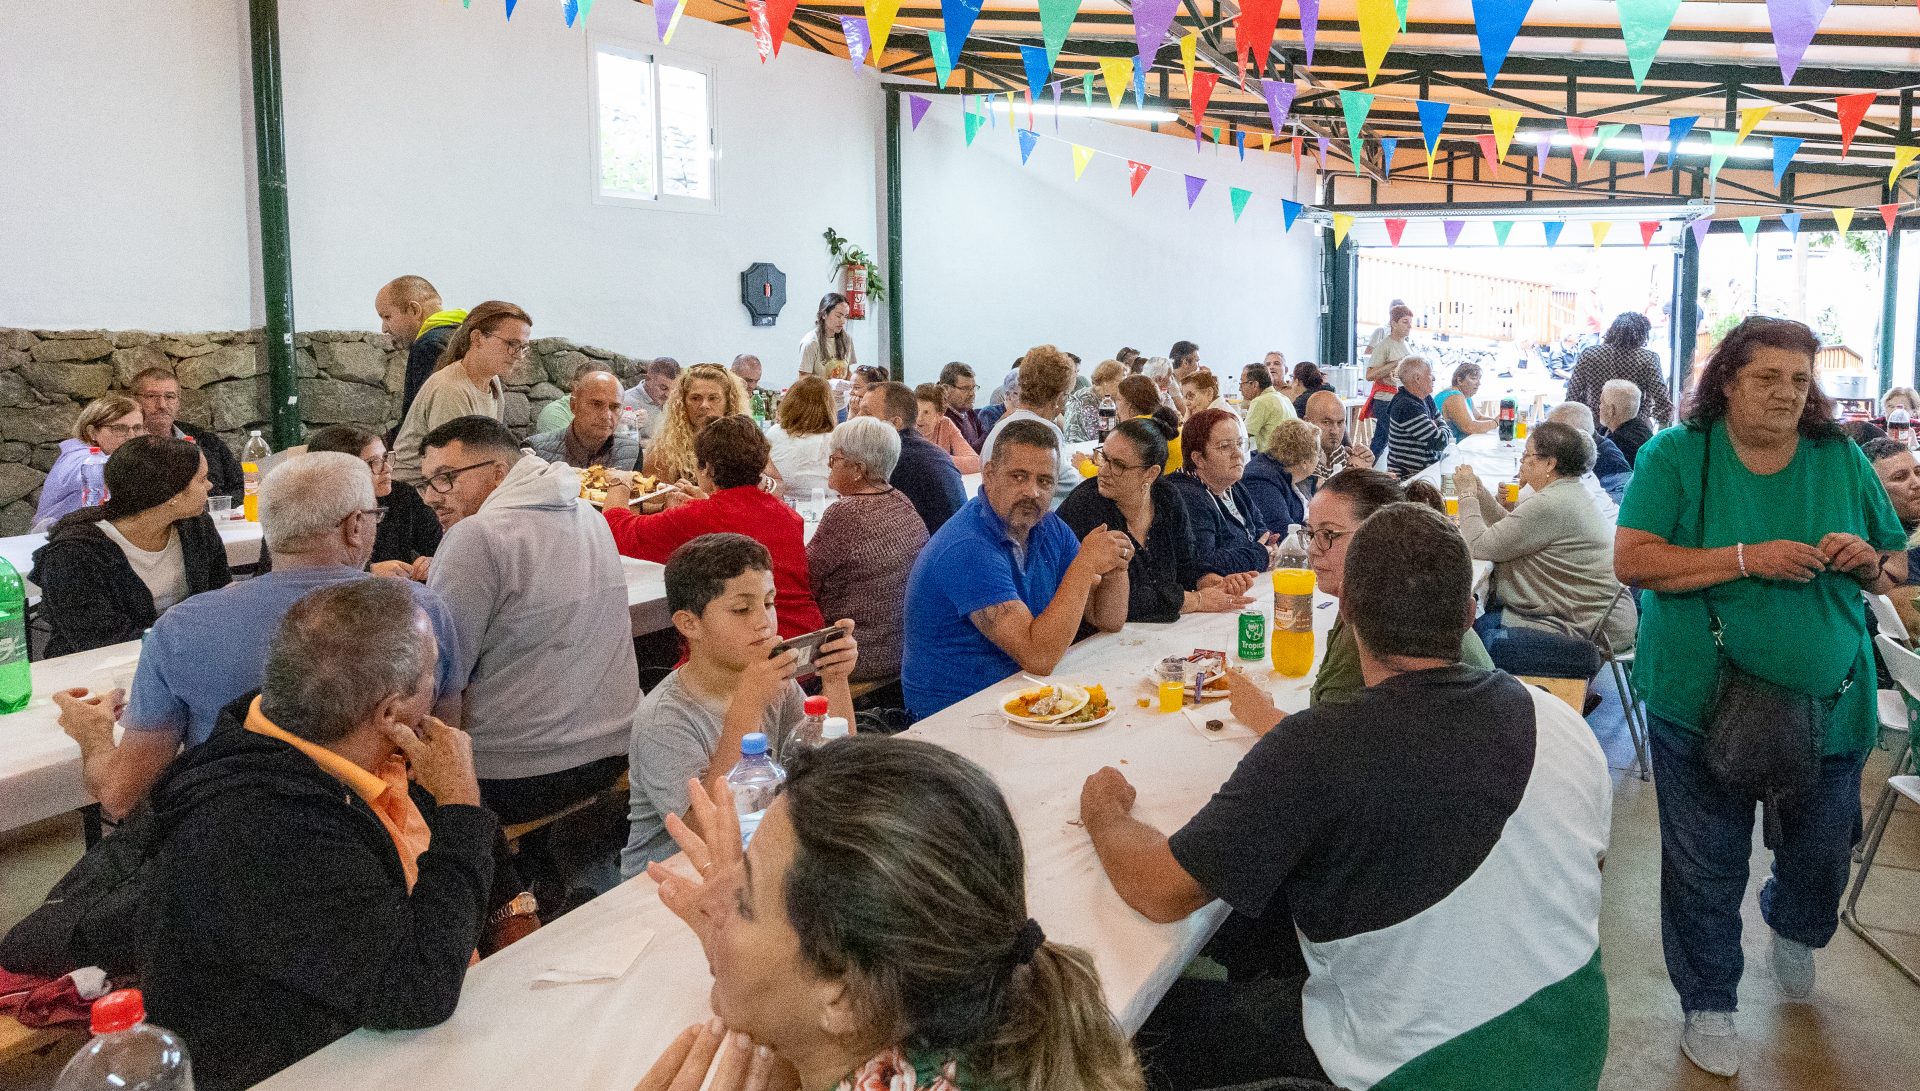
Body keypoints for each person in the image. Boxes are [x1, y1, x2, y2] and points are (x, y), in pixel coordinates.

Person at [1080, 502, 1611, 1091]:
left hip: (1416, 1069)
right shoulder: (1560, 722)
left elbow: (1158, 889)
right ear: (1467, 614)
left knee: (1132, 1033)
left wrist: (1104, 810)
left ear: (1348, 610)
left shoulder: (1319, 745)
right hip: (1574, 1044)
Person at [1614, 316, 1907, 1078]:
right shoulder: (1678, 455)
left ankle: (1792, 919)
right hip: (1698, 700)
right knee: (1705, 862)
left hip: (1834, 702)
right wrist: (1746, 558)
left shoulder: (1839, 457)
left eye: (1799, 379)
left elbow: (1894, 564)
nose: (1785, 393)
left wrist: (1870, 561)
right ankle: (1710, 1001)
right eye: (1767, 377)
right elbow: (1635, 559)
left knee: (1820, 855)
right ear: (1728, 381)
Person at [140, 579, 494, 1091]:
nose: (440, 689)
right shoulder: (268, 827)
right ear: (391, 712)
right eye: (432, 674)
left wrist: (509, 911)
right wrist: (461, 805)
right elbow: (417, 990)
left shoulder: (341, 749)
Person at [638, 737, 1146, 1091]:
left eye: (743, 901)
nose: (707, 900)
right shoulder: (975, 1018)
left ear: (844, 998)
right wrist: (759, 955)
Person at [54, 452, 463, 821]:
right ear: (356, 525)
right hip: (387, 839)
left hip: (233, 847)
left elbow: (121, 796)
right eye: (375, 516)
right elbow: (441, 751)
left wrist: (92, 734)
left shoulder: (182, 627)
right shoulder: (421, 611)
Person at [419, 416, 640, 832]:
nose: (432, 497)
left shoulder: (476, 535)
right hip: (617, 749)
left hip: (518, 774)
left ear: (498, 473)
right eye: (427, 482)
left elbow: (442, 678)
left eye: (446, 479)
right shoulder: (588, 514)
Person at [621, 532, 856, 875]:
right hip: (669, 879)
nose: (764, 621)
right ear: (689, 624)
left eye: (769, 602)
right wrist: (747, 705)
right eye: (742, 609)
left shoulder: (773, 683)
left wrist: (835, 680)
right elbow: (707, 829)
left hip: (755, 856)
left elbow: (838, 768)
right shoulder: (665, 718)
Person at [901, 420, 1130, 718]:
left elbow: (1107, 618)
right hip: (954, 717)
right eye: (1018, 477)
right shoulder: (967, 547)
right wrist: (1085, 564)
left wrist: (1117, 563)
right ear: (990, 474)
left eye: (1045, 481)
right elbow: (1038, 656)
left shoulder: (1047, 528)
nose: (1032, 492)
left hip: (1020, 695)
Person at [605, 414, 825, 640]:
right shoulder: (787, 514)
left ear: (707, 468)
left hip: (747, 649)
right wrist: (703, 502)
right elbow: (737, 517)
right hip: (806, 638)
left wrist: (619, 482)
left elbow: (615, 529)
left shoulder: (695, 518)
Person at [1456, 422, 1636, 672]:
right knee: (1480, 621)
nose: (1522, 462)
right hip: (1596, 618)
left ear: (1550, 464)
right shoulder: (1567, 492)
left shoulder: (1553, 503)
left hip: (1588, 628)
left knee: (1471, 637)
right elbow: (1508, 529)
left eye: (1528, 455)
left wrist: (1465, 495)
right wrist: (1479, 491)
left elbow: (1477, 545)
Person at [32, 436, 227, 657]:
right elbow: (99, 640)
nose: (210, 485)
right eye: (202, 480)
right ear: (172, 493)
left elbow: (219, 597)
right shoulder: (73, 553)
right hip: (97, 670)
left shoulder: (195, 526)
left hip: (185, 654)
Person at [1058, 419, 1255, 623]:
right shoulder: (1085, 506)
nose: (1103, 471)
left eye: (1118, 464)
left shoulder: (1167, 497)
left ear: (1151, 473)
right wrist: (1195, 600)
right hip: (1092, 640)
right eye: (1103, 457)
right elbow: (1118, 603)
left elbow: (1187, 564)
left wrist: (1212, 582)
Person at [808, 418, 927, 682]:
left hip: (858, 655)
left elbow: (808, 582)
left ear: (858, 469)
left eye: (834, 459)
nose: (829, 466)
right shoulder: (900, 500)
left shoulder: (846, 513)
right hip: (903, 646)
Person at [392, 301, 529, 485]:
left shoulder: (492, 381)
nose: (518, 355)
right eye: (512, 344)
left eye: (523, 347)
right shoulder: (451, 389)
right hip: (417, 492)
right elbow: (449, 466)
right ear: (477, 338)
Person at [305, 425, 442, 578]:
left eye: (385, 458)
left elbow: (439, 545)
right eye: (374, 462)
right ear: (340, 471)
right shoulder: (314, 508)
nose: (388, 468)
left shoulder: (402, 496)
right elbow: (302, 569)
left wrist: (433, 562)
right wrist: (368, 573)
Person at [1166, 408, 1275, 577]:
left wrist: (1266, 548)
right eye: (1225, 446)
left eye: (1239, 444)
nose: (1238, 453)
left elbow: (1263, 533)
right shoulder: (1185, 495)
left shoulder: (1232, 485)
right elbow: (1206, 562)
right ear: (1198, 459)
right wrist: (1258, 554)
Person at [981, 344, 1084, 506]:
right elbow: (1071, 483)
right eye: (1067, 396)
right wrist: (1086, 467)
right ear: (1059, 397)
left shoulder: (1001, 425)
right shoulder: (1044, 430)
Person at [866, 380, 968, 535]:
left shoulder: (894, 459)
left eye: (866, 413)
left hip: (931, 551)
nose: (856, 419)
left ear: (895, 423)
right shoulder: (927, 450)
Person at [129, 367, 243, 502]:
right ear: (134, 400)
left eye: (170, 396)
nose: (162, 405)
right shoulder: (127, 443)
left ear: (178, 402)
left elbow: (241, 486)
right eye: (151, 396)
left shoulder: (205, 440)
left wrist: (217, 508)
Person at [33, 393, 143, 531]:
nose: (131, 436)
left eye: (138, 428)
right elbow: (114, 471)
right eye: (119, 428)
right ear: (92, 432)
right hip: (57, 540)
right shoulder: (77, 457)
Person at [644, 362, 751, 484]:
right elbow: (651, 500)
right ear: (683, 403)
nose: (704, 405)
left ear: (728, 403)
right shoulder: (664, 450)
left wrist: (761, 482)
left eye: (713, 398)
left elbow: (776, 484)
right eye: (695, 398)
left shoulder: (745, 442)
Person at [377, 274, 467, 418]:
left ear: (414, 310)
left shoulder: (429, 346)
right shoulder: (464, 338)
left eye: (387, 317)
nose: (384, 329)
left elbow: (423, 418)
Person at [525, 367, 641, 471]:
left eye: (615, 407)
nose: (606, 415)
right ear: (573, 405)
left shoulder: (632, 451)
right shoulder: (535, 451)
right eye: (596, 404)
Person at [1568, 311, 1673, 426]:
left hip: (1595, 424)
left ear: (1613, 330)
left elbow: (1573, 394)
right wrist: (1662, 427)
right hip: (1635, 426)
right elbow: (1662, 399)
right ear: (1642, 334)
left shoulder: (1590, 354)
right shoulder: (1648, 358)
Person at [1240, 418, 1320, 532]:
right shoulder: (1261, 481)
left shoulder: (1284, 472)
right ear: (1304, 462)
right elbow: (1282, 530)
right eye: (1318, 453)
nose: (1319, 458)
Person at [1547, 400, 1632, 507]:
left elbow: (1623, 497)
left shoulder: (1607, 457)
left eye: (1552, 431)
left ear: (1572, 433)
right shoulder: (1578, 449)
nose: (1546, 437)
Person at [764, 375, 836, 495]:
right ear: (828, 407)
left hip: (782, 503)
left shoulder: (774, 432)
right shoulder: (833, 439)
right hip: (824, 502)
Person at [1382, 356, 1448, 479]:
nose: (1434, 378)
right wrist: (1438, 425)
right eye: (1430, 374)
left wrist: (1438, 424)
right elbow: (1440, 442)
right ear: (1417, 379)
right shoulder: (1407, 405)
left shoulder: (1426, 398)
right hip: (1410, 479)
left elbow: (1442, 427)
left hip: (1426, 473)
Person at [1364, 304, 1414, 457]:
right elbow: (1370, 375)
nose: (1409, 326)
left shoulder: (1405, 345)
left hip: (1398, 398)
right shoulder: (1384, 346)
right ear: (1394, 323)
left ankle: (1367, 469)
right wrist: (1394, 364)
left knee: (1380, 440)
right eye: (1405, 322)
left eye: (1410, 322)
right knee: (1393, 440)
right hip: (1386, 400)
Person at [1303, 389, 1375, 486]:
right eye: (1326, 422)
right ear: (1307, 422)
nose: (1335, 431)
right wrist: (1358, 476)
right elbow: (1322, 497)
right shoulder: (1302, 459)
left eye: (1340, 423)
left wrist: (1367, 470)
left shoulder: (1340, 452)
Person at [1117, 375, 1181, 472]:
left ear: (1130, 406)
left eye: (1118, 399)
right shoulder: (1168, 422)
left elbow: (1112, 473)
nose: (1115, 405)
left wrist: (1085, 463)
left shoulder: (1133, 430)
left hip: (1155, 484)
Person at [915, 382, 982, 473]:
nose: (919, 418)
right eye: (916, 411)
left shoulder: (946, 424)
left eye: (926, 412)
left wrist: (935, 458)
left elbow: (975, 462)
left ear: (940, 415)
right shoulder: (904, 424)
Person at [621, 356, 682, 443]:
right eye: (663, 388)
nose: (668, 395)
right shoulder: (625, 401)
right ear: (648, 379)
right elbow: (622, 443)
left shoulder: (676, 400)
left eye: (674, 389)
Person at [1065, 359, 1127, 442]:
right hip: (1080, 448)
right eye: (1121, 381)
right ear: (1106, 381)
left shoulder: (1110, 399)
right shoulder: (1086, 398)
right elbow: (1096, 435)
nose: (1124, 386)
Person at [798, 292, 856, 379]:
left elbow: (847, 373)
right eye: (838, 316)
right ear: (824, 314)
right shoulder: (811, 342)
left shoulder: (847, 339)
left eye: (846, 316)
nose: (843, 321)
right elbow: (804, 379)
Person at [1240, 362, 1296, 452]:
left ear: (1255, 385)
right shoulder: (1284, 398)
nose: (1240, 388)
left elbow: (1242, 435)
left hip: (1273, 459)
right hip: (1290, 456)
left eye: (1242, 383)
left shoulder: (1260, 401)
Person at [1599, 378, 1655, 466]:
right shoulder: (1641, 428)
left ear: (1611, 410)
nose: (1599, 406)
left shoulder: (1623, 444)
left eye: (1602, 402)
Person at [1435, 361, 1498, 441]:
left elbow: (1478, 418)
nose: (1478, 383)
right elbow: (1468, 427)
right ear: (1460, 381)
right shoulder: (1454, 396)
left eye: (1479, 379)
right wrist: (1495, 423)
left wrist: (1502, 420)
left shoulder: (1465, 395)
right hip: (1450, 450)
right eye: (1474, 379)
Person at [939, 361, 988, 451]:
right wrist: (996, 426)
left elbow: (983, 438)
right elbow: (967, 453)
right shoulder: (941, 419)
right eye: (965, 388)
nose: (972, 394)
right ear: (945, 389)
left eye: (973, 388)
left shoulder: (969, 412)